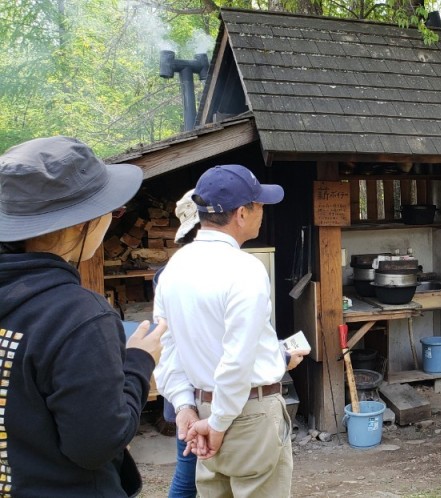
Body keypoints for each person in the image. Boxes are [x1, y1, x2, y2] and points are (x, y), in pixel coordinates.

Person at [0, 136, 166, 496]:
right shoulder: (77, 315)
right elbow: (95, 445)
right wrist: (139, 362)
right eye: (112, 212)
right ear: (80, 225)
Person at [154, 164, 295, 496]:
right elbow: (237, 360)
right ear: (242, 214)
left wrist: (185, 407)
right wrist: (217, 424)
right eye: (259, 205)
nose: (263, 212)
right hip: (248, 416)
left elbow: (167, 347)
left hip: (202, 409)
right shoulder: (245, 269)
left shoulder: (175, 267)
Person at [158, 189, 201, 498]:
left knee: (188, 472)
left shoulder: (167, 271)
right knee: (190, 475)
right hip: (196, 388)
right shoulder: (207, 271)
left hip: (179, 385)